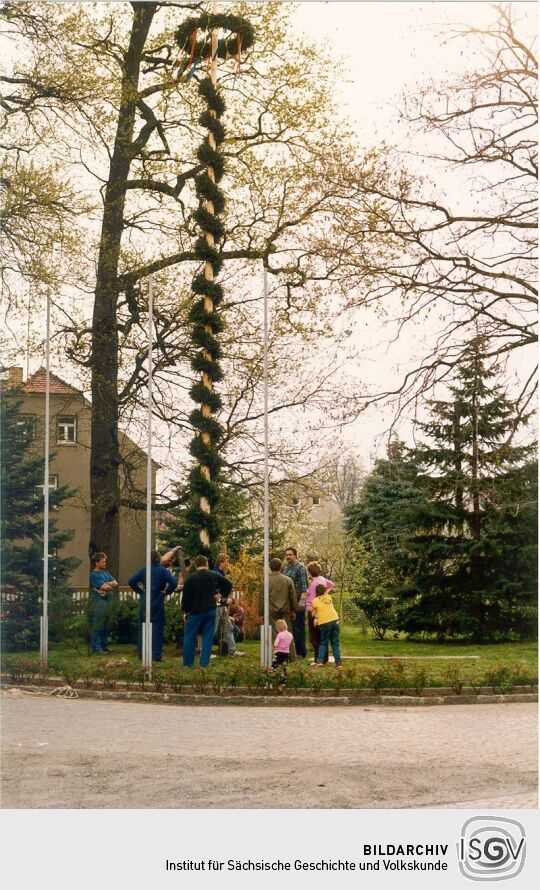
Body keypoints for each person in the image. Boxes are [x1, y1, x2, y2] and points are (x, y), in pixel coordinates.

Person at [181, 555, 232, 667]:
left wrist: (185, 611)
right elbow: (228, 584)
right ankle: (204, 664)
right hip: (210, 610)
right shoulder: (214, 575)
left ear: (195, 565)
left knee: (190, 636)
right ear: (207, 564)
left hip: (195, 612)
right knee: (208, 637)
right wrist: (221, 594)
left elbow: (186, 597)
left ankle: (188, 664)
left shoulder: (190, 578)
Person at [128, 550, 179, 662]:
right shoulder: (162, 570)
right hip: (157, 599)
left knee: (143, 626)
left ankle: (142, 654)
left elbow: (131, 581)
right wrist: (166, 592)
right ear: (159, 558)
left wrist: (141, 592)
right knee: (157, 628)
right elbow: (174, 583)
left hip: (145, 600)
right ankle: (156, 655)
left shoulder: (144, 570)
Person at [264, 557, 297, 661]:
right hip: (285, 610)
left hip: (271, 610)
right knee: (288, 633)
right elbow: (292, 597)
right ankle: (291, 657)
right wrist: (293, 610)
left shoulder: (266, 581)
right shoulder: (288, 580)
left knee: (274, 634)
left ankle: (276, 657)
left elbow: (262, 597)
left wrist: (261, 613)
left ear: (270, 567)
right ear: (281, 567)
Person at [213, 553, 244, 657]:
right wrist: (224, 599)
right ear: (221, 562)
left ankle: (232, 650)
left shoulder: (222, 573)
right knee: (213, 629)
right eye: (227, 561)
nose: (228, 564)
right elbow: (215, 592)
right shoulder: (215, 573)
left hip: (223, 606)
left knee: (228, 627)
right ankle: (205, 651)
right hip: (217, 606)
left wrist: (229, 598)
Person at [306, 561, 335, 664]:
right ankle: (323, 659)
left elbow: (314, 600)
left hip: (314, 612)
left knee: (314, 637)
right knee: (321, 636)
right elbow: (332, 584)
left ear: (309, 572)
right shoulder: (322, 579)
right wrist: (326, 593)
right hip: (322, 611)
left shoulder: (314, 584)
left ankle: (318, 660)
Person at [89, 552, 118, 654]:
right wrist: (109, 584)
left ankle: (104, 646)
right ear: (97, 563)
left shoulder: (105, 572)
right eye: (103, 562)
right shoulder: (95, 574)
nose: (105, 563)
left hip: (108, 600)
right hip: (100, 602)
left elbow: (115, 583)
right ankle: (96, 648)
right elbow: (106, 587)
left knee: (106, 624)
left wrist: (107, 584)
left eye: (105, 561)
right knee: (98, 624)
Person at [282, 547, 308, 658]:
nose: (288, 556)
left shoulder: (300, 568)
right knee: (289, 628)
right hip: (288, 603)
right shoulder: (286, 569)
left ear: (295, 556)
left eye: (290, 554)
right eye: (286, 555)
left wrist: (301, 606)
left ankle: (301, 652)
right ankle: (290, 651)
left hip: (297, 603)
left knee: (298, 628)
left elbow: (304, 588)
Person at [311, 583, 341, 666]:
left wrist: (316, 614)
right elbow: (329, 589)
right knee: (335, 642)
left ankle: (320, 661)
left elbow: (312, 614)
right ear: (324, 591)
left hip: (324, 622)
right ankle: (338, 663)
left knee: (324, 642)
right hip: (335, 620)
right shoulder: (329, 597)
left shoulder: (315, 601)